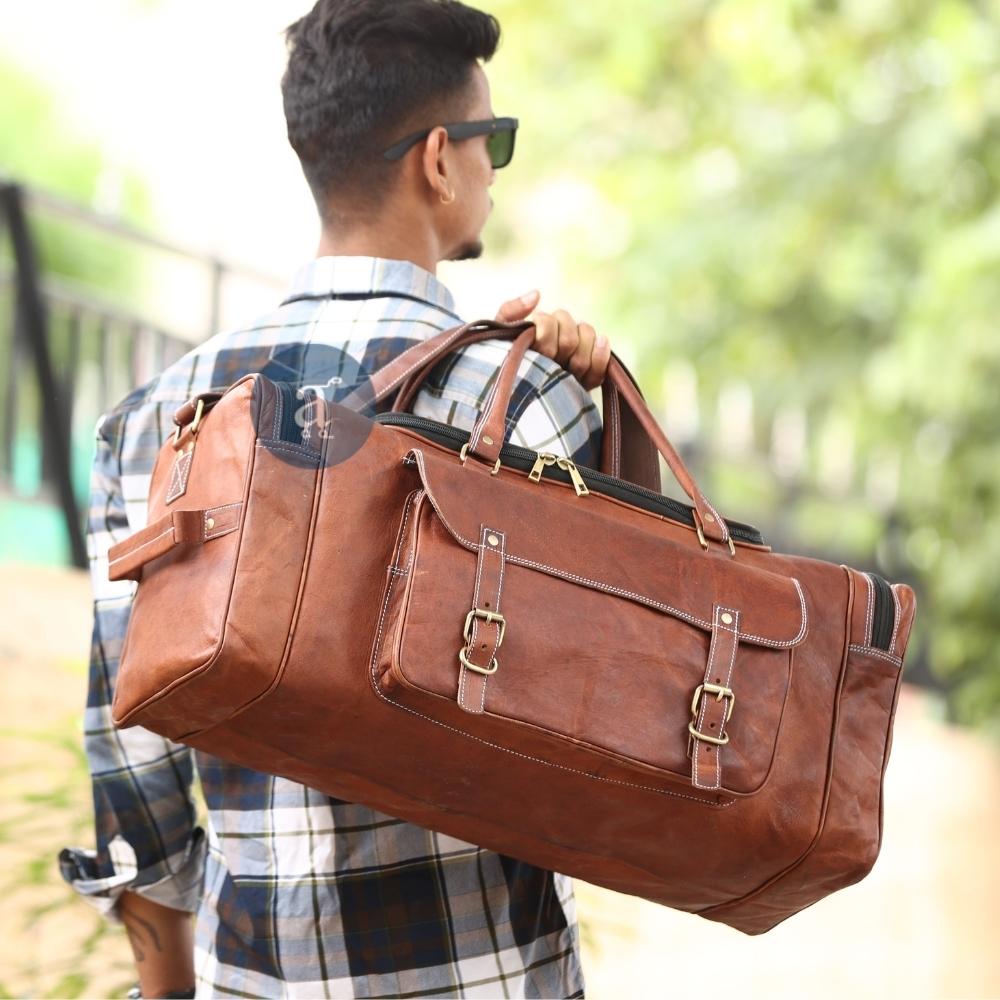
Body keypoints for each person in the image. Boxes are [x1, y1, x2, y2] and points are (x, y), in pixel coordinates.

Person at [60, 1, 613, 996]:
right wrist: (593, 402)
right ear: (439, 159)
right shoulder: (525, 399)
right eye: (496, 142)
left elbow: (133, 760)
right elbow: (602, 719)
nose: (494, 168)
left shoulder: (154, 423)